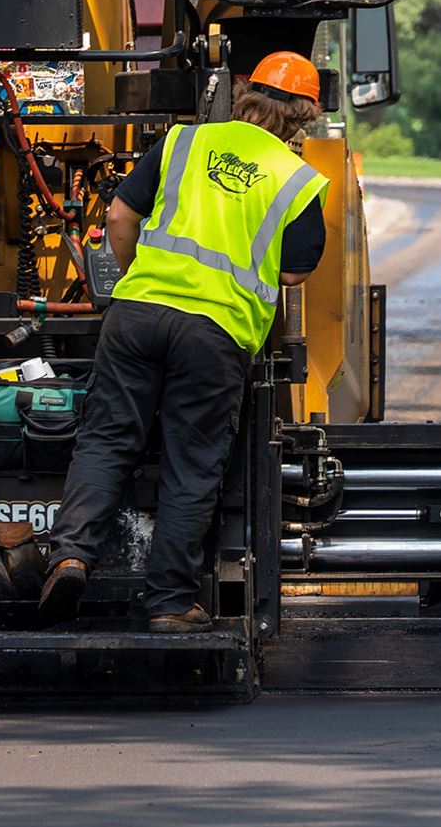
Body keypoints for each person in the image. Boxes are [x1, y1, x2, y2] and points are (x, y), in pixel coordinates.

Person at [39, 51, 329, 632]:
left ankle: (70, 555)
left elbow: (120, 217)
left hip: (138, 313)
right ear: (301, 117)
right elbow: (296, 271)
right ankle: (169, 601)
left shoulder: (183, 142)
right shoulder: (298, 179)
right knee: (191, 465)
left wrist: (127, 282)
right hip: (214, 333)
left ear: (244, 92)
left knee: (106, 440)